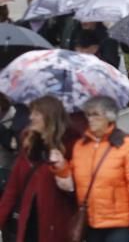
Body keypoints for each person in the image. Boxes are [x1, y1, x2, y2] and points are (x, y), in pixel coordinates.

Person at [53, 96, 129, 240]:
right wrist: (61, 167)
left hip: (119, 224)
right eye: (88, 115)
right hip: (91, 222)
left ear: (109, 117)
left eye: (96, 115)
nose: (90, 119)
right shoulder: (81, 146)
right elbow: (73, 180)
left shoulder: (125, 144)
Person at [0, 96, 78, 242]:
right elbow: (12, 188)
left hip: (57, 225)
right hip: (30, 221)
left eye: (36, 114)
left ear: (49, 116)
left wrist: (62, 168)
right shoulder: (29, 145)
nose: (31, 117)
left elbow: (76, 191)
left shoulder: (70, 144)